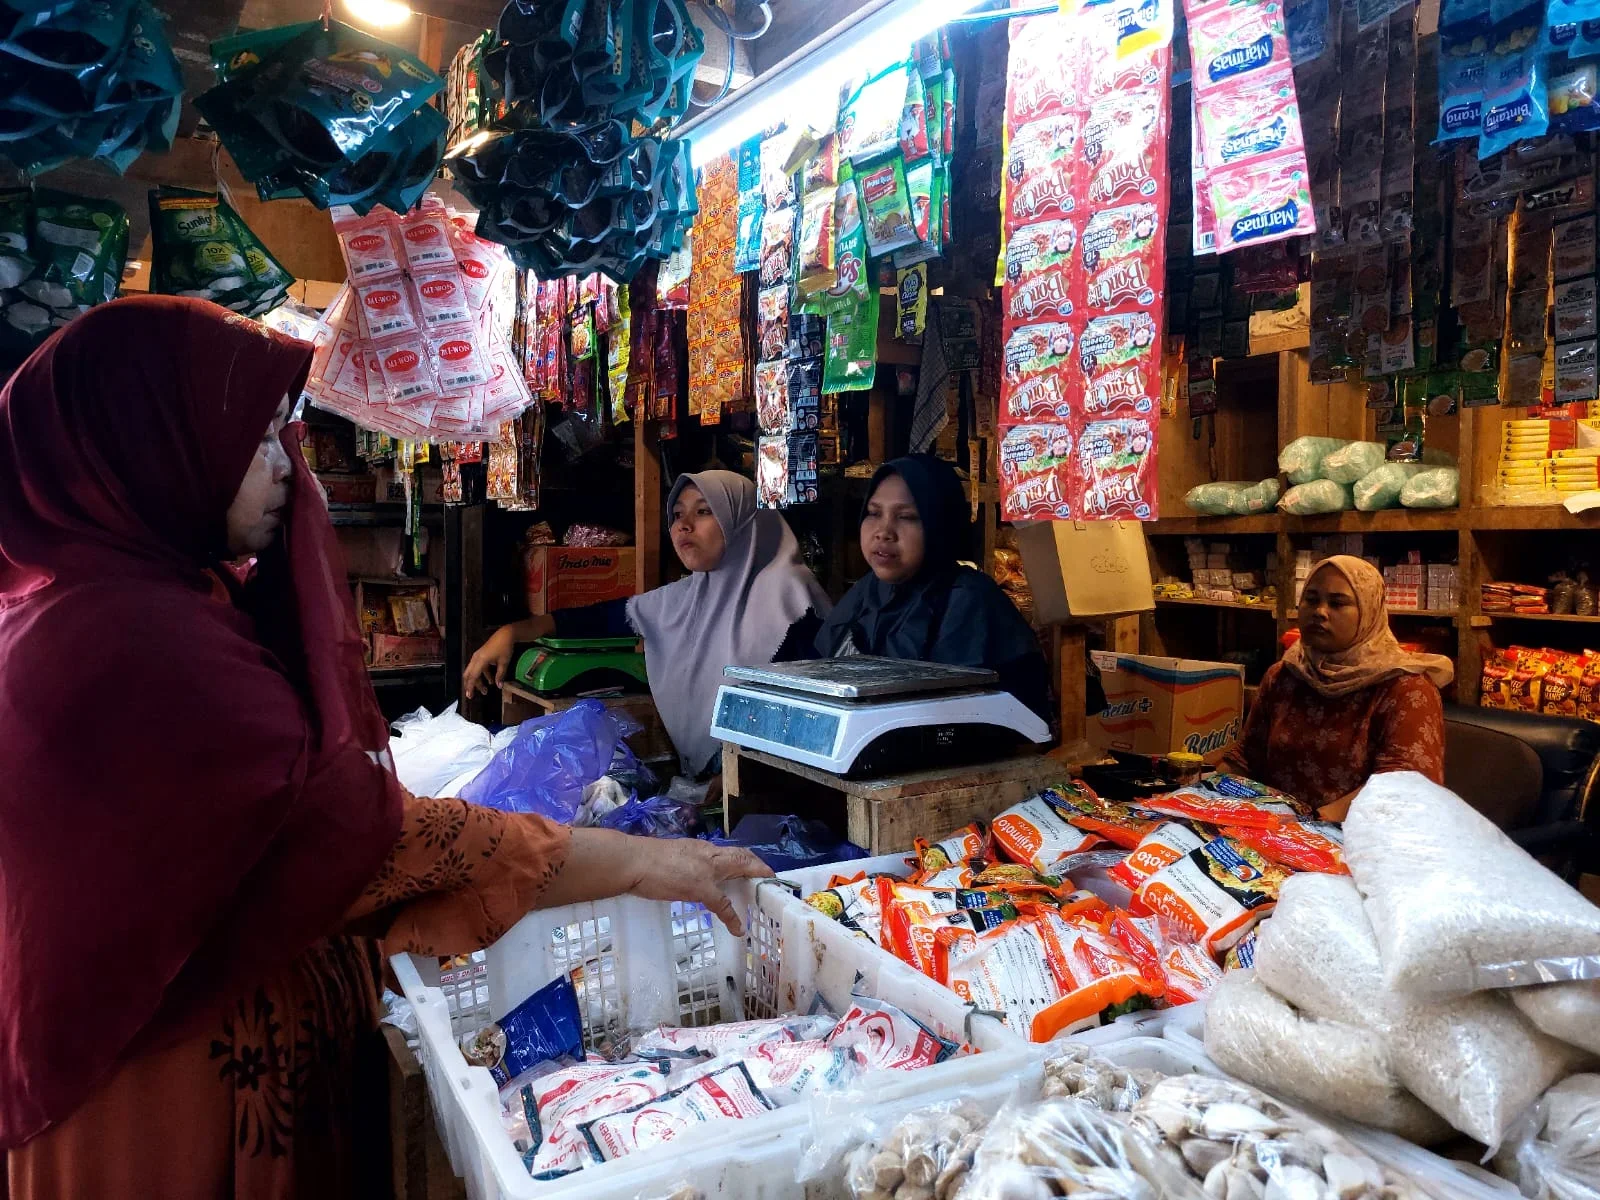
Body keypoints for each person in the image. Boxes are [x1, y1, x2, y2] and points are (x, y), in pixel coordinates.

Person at [0, 296, 770, 1200]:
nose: (287, 465)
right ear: (146, 448)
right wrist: (639, 864)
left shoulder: (124, 604)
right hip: (162, 1103)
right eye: (251, 442)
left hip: (169, 1045)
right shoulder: (134, 644)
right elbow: (364, 843)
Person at [464, 470, 830, 779]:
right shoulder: (691, 594)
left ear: (744, 521)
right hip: (714, 786)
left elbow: (810, 721)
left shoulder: (791, 601)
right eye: (677, 514)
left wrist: (748, 779)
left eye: (704, 512)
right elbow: (603, 618)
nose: (683, 525)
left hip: (777, 790)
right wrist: (511, 632)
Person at [813, 455, 1051, 721]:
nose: (883, 532)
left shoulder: (968, 601)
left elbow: (951, 717)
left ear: (939, 524)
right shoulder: (867, 592)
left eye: (906, 517)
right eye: (873, 513)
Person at [1219, 554, 1453, 820]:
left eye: (1337, 603)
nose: (1320, 611)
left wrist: (1311, 824)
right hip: (1277, 829)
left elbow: (1403, 792)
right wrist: (1197, 792)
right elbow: (1247, 759)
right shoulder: (1285, 675)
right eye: (1311, 599)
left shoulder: (1406, 689)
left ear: (1369, 612)